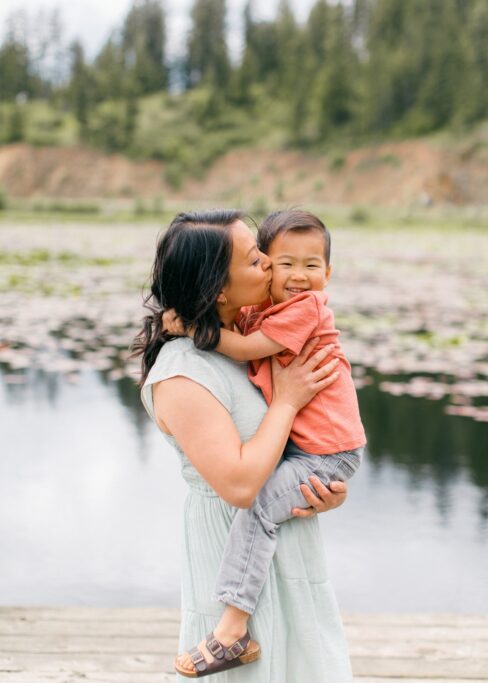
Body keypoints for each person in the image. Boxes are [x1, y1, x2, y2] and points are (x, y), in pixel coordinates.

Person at [132, 210, 354, 680]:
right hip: (229, 547)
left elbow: (295, 445)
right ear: (220, 289)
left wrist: (322, 490)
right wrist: (288, 402)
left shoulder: (253, 335)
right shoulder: (184, 372)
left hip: (285, 544)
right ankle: (231, 633)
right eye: (258, 260)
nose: (273, 269)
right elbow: (238, 484)